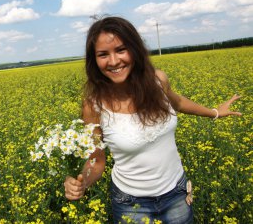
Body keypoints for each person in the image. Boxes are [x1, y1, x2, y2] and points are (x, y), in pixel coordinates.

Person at [63, 16, 242, 223]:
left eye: (121, 50)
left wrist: (215, 112)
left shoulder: (158, 81)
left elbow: (179, 103)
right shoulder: (93, 106)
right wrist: (81, 183)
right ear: (94, 60)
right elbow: (97, 160)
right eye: (103, 54)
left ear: (135, 49)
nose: (113, 61)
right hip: (130, 203)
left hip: (177, 193)